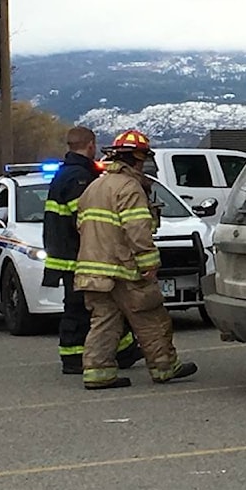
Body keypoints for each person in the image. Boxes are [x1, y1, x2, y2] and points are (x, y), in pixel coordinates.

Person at [74, 129, 197, 390]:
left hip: (93, 269)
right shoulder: (129, 188)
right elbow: (138, 230)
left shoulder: (95, 186)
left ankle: (97, 372)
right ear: (137, 160)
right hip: (124, 268)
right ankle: (164, 367)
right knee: (151, 316)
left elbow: (82, 226)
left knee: (104, 320)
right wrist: (148, 263)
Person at [42, 126, 142, 375]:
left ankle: (122, 351)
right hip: (76, 256)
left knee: (101, 307)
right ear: (90, 146)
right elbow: (87, 220)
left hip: (69, 254)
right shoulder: (78, 177)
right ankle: (75, 357)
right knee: (80, 308)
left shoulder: (66, 174)